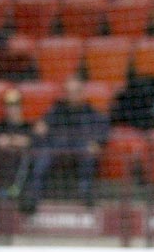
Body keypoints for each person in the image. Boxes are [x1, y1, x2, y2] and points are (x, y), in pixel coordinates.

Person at [26, 75, 109, 213]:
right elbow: (41, 127)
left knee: (88, 153)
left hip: (80, 147)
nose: (72, 95)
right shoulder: (57, 110)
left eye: (75, 92)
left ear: (82, 93)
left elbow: (103, 129)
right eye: (69, 92)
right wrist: (40, 128)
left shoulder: (91, 112)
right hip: (57, 146)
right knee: (42, 155)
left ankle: (86, 193)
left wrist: (97, 142)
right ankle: (32, 197)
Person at [0, 89, 33, 203]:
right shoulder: (1, 124)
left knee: (26, 157)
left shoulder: (27, 125)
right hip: (2, 159)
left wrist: (14, 141)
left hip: (20, 160)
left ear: (21, 107)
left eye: (15, 105)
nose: (12, 109)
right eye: (9, 106)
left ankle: (15, 188)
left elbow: (30, 141)